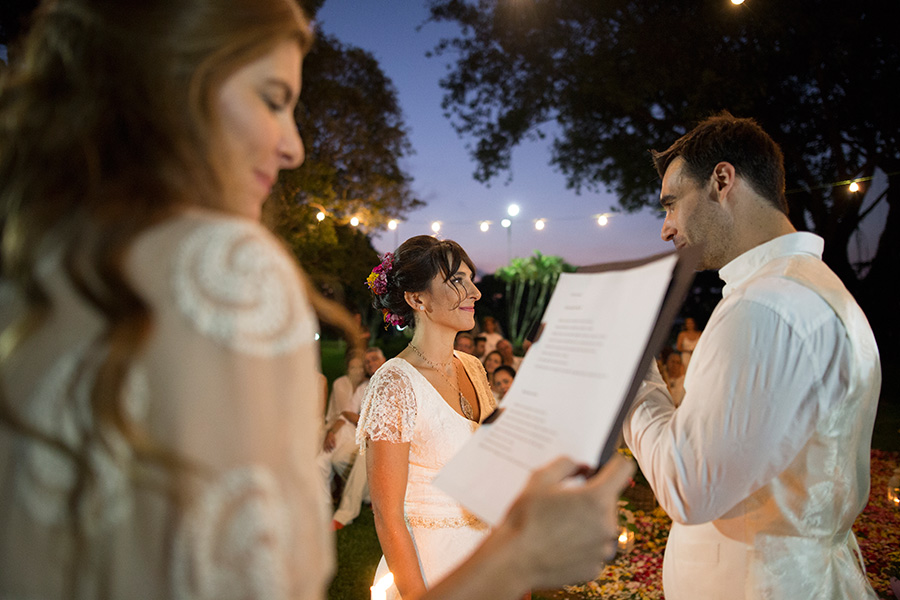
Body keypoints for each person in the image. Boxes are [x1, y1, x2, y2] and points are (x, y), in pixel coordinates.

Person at [0, 1, 635, 598]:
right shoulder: (221, 270)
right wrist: (528, 555)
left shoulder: (36, 259)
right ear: (170, 87)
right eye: (273, 100)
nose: (293, 145)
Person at [623, 113, 881, 600]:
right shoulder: (811, 288)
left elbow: (688, 486)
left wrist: (631, 383)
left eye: (672, 204)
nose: (665, 229)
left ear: (722, 181)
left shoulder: (764, 304)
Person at [357, 236, 497, 599]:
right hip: (431, 569)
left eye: (471, 279)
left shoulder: (474, 368)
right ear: (417, 299)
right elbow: (387, 517)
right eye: (456, 281)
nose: (474, 293)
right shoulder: (394, 383)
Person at [317, 347, 384, 511]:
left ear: (384, 360)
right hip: (355, 432)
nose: (370, 364)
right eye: (367, 362)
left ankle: (369, 496)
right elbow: (346, 412)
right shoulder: (363, 387)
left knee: (347, 457)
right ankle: (363, 495)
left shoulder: (395, 381)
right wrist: (332, 432)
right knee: (334, 460)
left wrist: (359, 420)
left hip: (383, 439)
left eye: (374, 359)